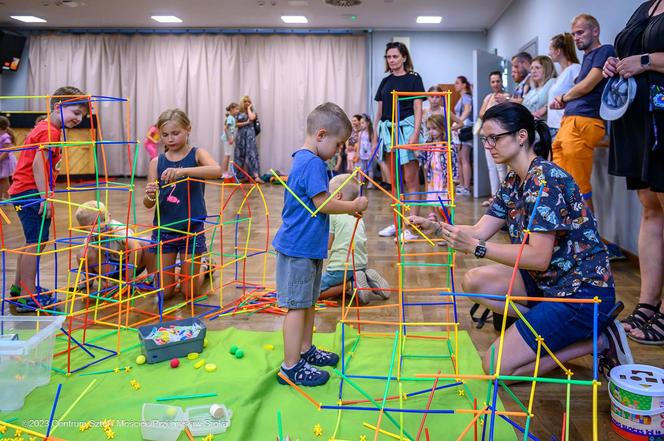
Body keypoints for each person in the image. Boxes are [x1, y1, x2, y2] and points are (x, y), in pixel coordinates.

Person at [409, 102, 632, 378]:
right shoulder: (515, 179)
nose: (488, 145)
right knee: (474, 281)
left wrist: (477, 248)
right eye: (485, 139)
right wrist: (438, 227)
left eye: (495, 138)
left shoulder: (546, 181)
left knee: (494, 368)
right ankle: (547, 323)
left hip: (581, 293)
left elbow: (538, 258)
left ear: (522, 136)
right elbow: (480, 230)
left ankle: (598, 341)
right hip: (549, 282)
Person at [273, 102, 368, 387]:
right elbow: (322, 203)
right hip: (298, 248)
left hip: (308, 246)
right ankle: (290, 366)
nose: (338, 150)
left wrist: (347, 208)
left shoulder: (305, 159)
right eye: (338, 144)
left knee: (307, 303)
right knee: (297, 307)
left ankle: (304, 350)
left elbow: (319, 204)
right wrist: (353, 204)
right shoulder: (313, 163)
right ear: (321, 135)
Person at [604, 0, 664, 345]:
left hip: (661, 116)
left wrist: (643, 61)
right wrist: (615, 64)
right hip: (637, 119)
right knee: (650, 210)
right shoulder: (645, 7)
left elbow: (644, 58)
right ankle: (647, 304)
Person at [8, 86, 87, 312]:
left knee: (31, 241)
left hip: (24, 190)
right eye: (75, 112)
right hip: (31, 192)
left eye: (82, 115)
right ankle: (27, 297)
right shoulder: (50, 131)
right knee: (36, 243)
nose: (78, 119)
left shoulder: (48, 128)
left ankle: (19, 288)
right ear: (57, 107)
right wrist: (46, 198)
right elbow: (38, 165)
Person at [143, 108, 222, 301]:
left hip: (191, 228)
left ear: (188, 130)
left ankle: (205, 266)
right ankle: (182, 270)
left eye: (175, 133)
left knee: (189, 293)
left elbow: (217, 170)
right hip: (165, 229)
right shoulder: (156, 162)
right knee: (165, 292)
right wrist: (151, 195)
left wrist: (182, 172)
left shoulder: (197, 154)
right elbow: (148, 204)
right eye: (165, 135)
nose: (170, 139)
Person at [551, 14, 616, 212]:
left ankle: (590, 240)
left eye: (580, 32)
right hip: (568, 123)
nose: (576, 37)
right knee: (561, 184)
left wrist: (563, 98)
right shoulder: (586, 59)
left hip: (584, 121)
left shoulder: (605, 51)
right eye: (573, 34)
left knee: (578, 187)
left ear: (595, 31)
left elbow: (588, 85)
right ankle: (573, 237)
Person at [374, 41, 425, 238]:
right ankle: (397, 223)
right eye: (389, 57)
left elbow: (418, 108)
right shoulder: (385, 82)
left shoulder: (414, 78)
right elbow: (379, 111)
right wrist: (374, 136)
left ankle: (411, 227)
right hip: (389, 133)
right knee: (395, 181)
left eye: (395, 56)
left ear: (404, 57)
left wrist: (415, 134)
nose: (392, 60)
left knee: (410, 179)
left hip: (407, 129)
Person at [318, 174, 389, 304]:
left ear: (338, 196)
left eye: (329, 194)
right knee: (339, 286)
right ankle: (365, 279)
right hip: (360, 265)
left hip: (340, 268)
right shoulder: (358, 215)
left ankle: (352, 284)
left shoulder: (333, 215)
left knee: (312, 292)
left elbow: (327, 244)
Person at [74, 200, 148, 287]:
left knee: (146, 243)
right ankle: (89, 280)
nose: (102, 224)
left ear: (110, 216)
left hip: (133, 263)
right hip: (113, 268)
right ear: (84, 229)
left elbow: (137, 249)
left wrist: (129, 276)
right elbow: (90, 260)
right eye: (95, 224)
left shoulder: (118, 230)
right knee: (83, 254)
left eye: (104, 219)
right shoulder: (90, 238)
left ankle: (152, 276)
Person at [479, 71, 509, 206]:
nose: (495, 84)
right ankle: (494, 197)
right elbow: (481, 114)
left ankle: (504, 197)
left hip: (500, 136)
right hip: (488, 136)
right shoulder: (488, 97)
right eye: (493, 82)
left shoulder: (507, 97)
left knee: (501, 168)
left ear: (502, 82)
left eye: (498, 81)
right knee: (491, 168)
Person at [547, 33, 582, 140]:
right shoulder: (561, 74)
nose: (548, 53)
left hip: (563, 126)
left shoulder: (575, 69)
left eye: (550, 49)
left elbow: (581, 91)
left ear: (558, 51)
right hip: (552, 126)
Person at [422, 114, 455, 222]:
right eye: (429, 129)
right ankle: (441, 225)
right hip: (433, 178)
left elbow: (454, 163)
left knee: (443, 204)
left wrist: (454, 178)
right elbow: (425, 160)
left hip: (444, 178)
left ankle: (447, 223)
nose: (431, 131)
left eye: (434, 128)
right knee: (435, 202)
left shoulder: (448, 145)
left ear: (442, 128)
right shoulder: (429, 144)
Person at [451, 75, 473, 196]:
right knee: (460, 158)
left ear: (464, 85)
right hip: (460, 130)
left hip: (465, 129)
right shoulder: (462, 98)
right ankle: (462, 184)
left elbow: (467, 110)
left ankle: (466, 187)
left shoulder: (466, 97)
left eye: (458, 83)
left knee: (464, 158)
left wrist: (459, 123)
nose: (455, 85)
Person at [234, 95, 262, 183]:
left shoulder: (253, 113)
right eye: (245, 101)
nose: (247, 103)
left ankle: (255, 176)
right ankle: (241, 176)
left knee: (252, 154)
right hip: (240, 136)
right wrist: (246, 123)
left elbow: (252, 118)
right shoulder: (238, 113)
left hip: (250, 136)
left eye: (249, 101)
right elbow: (236, 124)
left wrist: (249, 108)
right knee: (239, 156)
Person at [523, 56, 557, 120]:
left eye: (537, 68)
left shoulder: (553, 82)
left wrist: (546, 107)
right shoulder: (533, 90)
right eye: (531, 68)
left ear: (547, 69)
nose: (533, 71)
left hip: (546, 126)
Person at [0, 116, 18, 200]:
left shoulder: (5, 136)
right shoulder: (1, 135)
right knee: (2, 180)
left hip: (5, 161)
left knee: (4, 179)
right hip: (2, 161)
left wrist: (0, 158)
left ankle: (6, 197)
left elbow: (7, 151)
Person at [221, 102, 239, 179]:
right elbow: (225, 128)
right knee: (227, 155)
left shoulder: (232, 118)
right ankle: (223, 172)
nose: (238, 110)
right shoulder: (230, 118)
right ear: (231, 109)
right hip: (227, 139)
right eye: (236, 109)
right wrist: (229, 139)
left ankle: (226, 172)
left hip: (229, 139)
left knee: (228, 155)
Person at [358, 114, 375, 181]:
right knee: (361, 169)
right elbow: (359, 143)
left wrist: (372, 153)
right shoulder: (360, 133)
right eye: (360, 123)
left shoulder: (371, 133)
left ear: (367, 123)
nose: (361, 125)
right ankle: (360, 182)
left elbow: (373, 144)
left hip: (369, 154)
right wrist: (358, 153)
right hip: (362, 154)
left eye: (363, 123)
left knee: (370, 169)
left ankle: (371, 183)